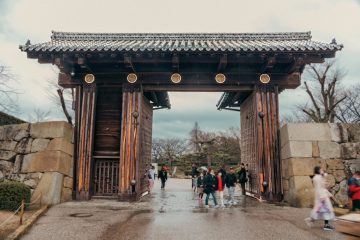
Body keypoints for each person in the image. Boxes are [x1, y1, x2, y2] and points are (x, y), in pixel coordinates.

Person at [305, 166, 336, 231]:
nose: (322, 170)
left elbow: (322, 186)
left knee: (322, 211)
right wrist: (323, 196)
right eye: (321, 170)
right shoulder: (318, 178)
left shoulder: (317, 177)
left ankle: (313, 220)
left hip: (321, 196)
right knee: (325, 210)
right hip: (322, 196)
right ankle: (311, 220)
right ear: (318, 170)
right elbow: (321, 187)